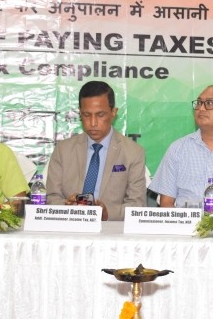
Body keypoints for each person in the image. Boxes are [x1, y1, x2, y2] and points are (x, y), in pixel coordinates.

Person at [45, 81, 147, 220]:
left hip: (110, 232)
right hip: (69, 226)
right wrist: (68, 207)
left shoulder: (133, 152)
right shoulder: (63, 150)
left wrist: (107, 213)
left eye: (100, 115)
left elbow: (137, 205)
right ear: (80, 113)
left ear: (113, 113)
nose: (92, 123)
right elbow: (51, 197)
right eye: (87, 115)